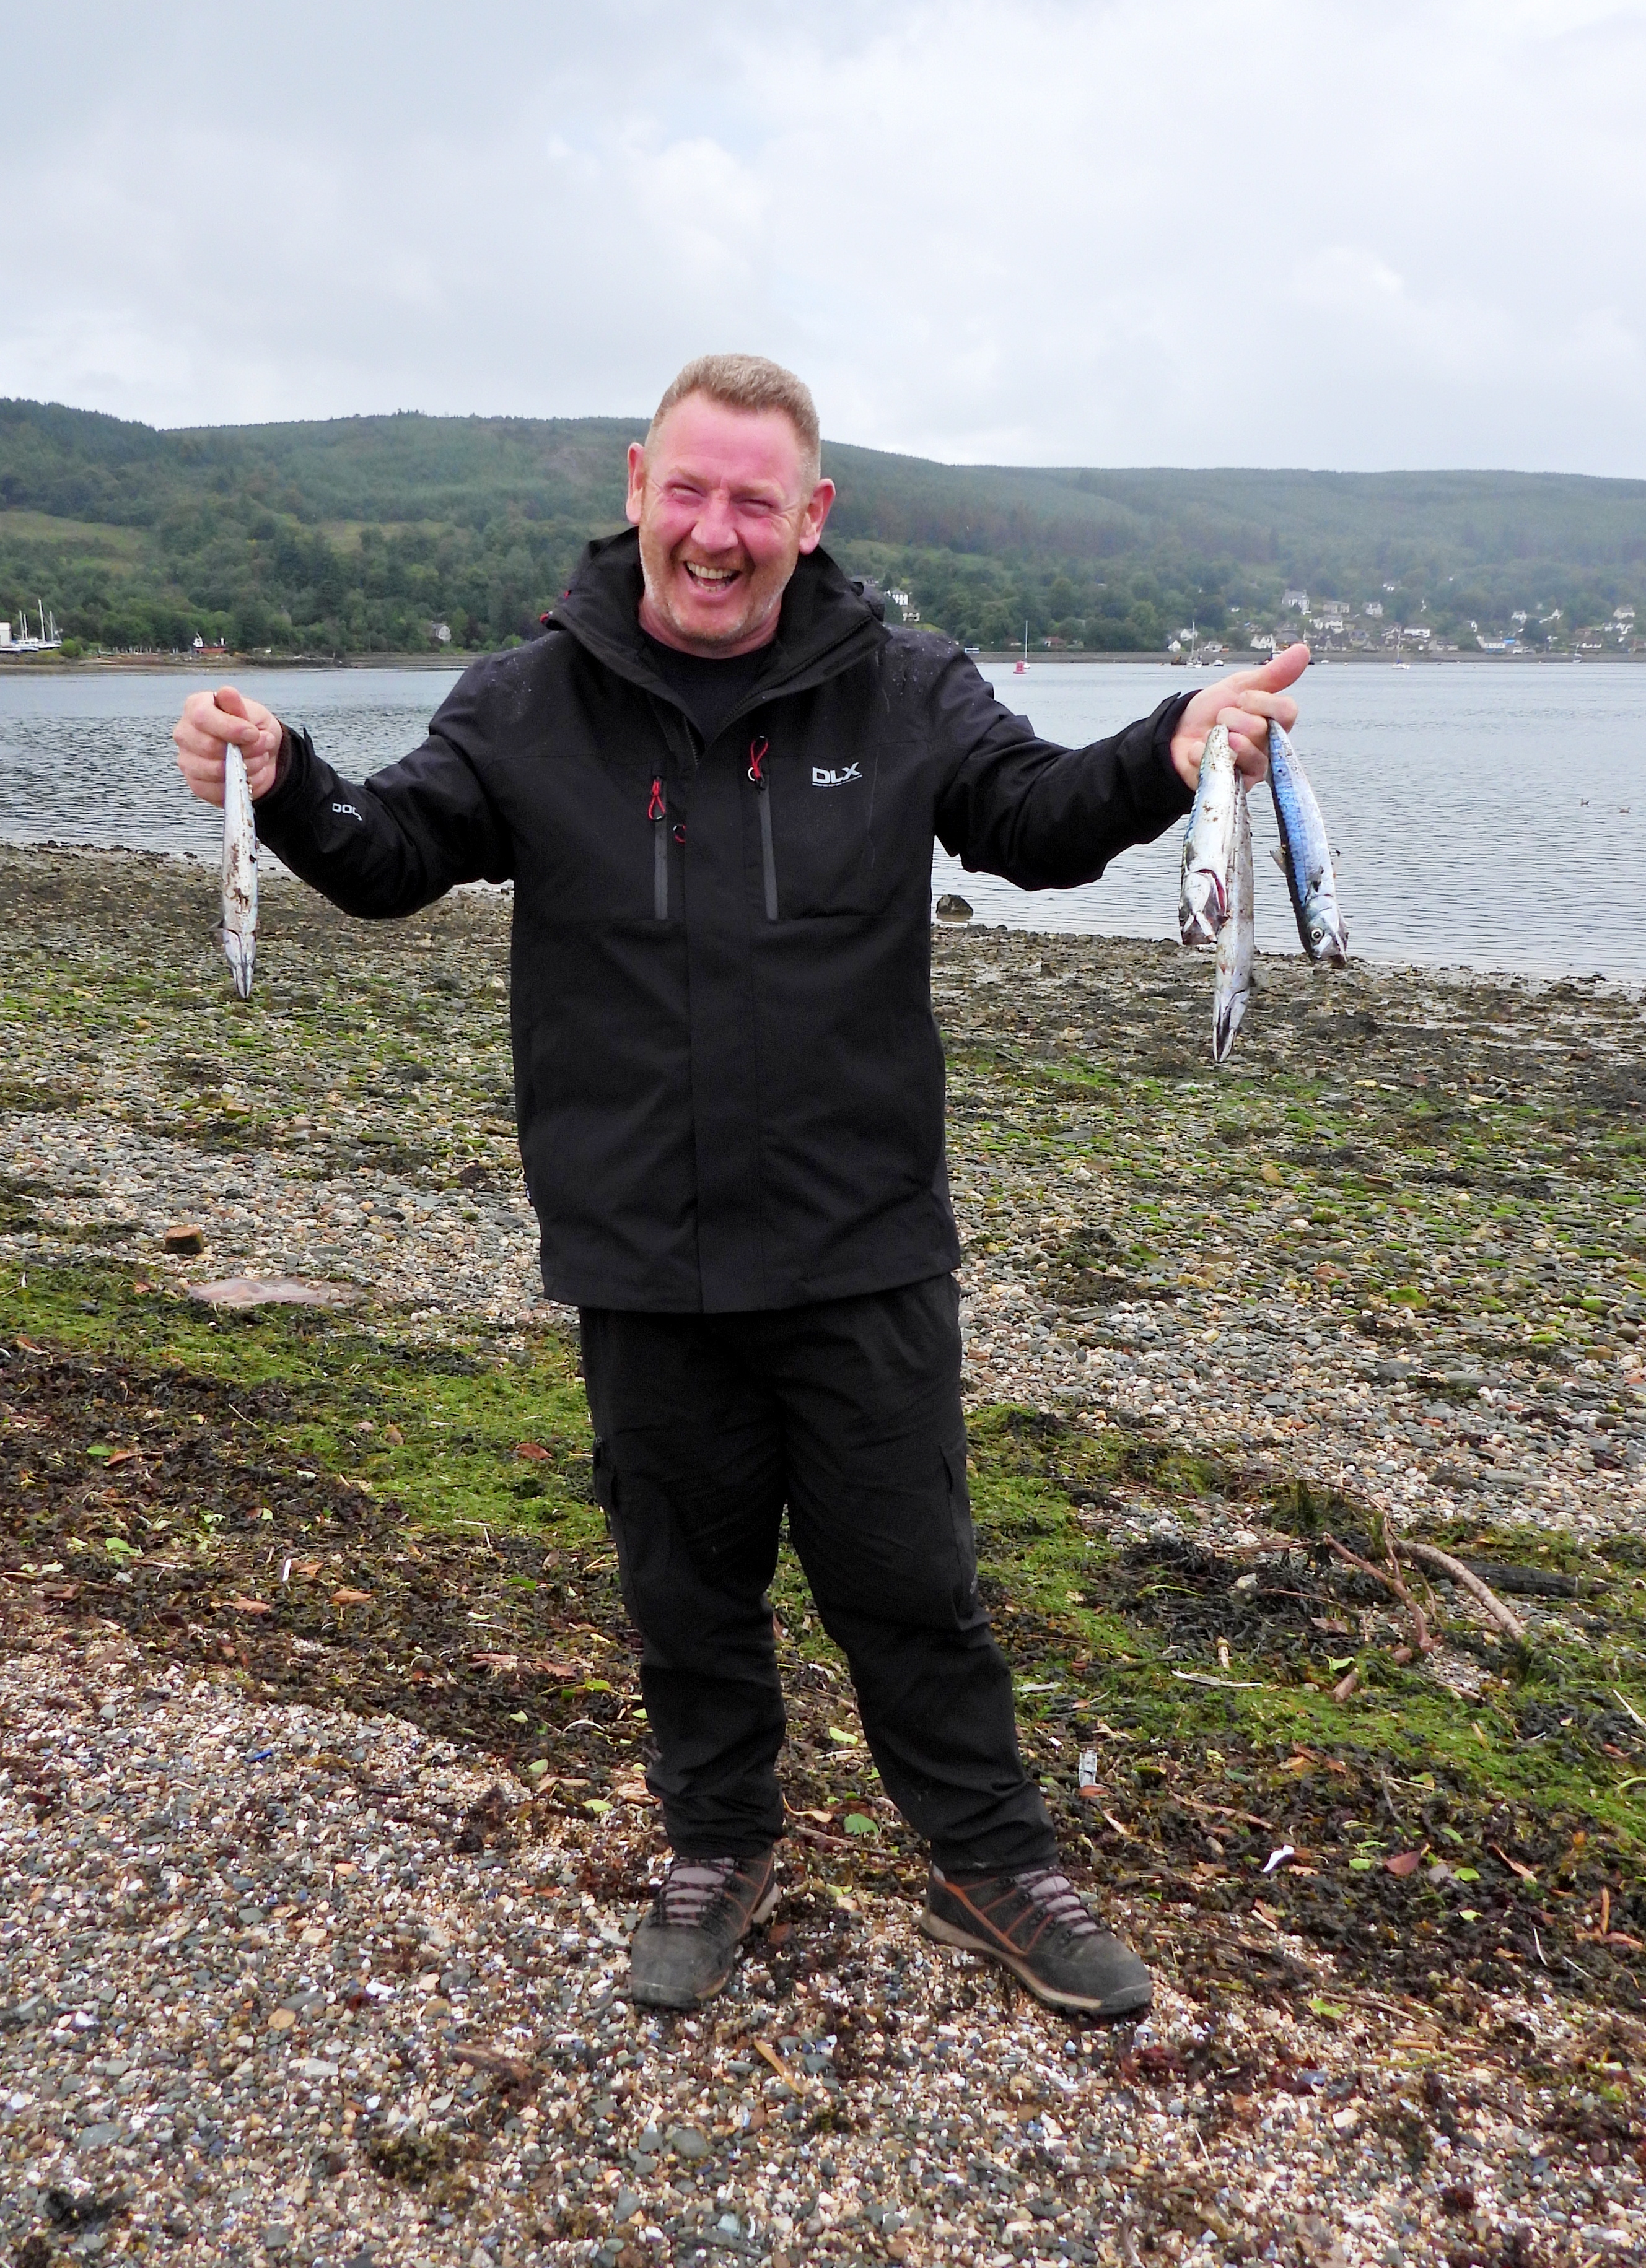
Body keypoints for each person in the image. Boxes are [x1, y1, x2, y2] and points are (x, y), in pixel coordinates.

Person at [175, 352, 1305, 2021]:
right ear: (637, 487)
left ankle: (991, 1855)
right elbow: (392, 854)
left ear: (809, 516)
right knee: (682, 1586)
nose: (715, 534)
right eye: (688, 494)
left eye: (751, 503)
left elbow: (1037, 824)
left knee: (910, 1583)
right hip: (637, 1245)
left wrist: (1174, 747)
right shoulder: (522, 702)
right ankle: (718, 1841)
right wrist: (283, 783)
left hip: (859, 1242)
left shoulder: (904, 687)